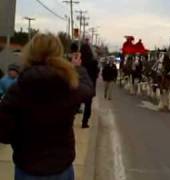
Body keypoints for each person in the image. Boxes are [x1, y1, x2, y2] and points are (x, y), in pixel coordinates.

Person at [0, 33, 94, 179]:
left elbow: (3, 133)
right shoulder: (67, 86)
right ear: (58, 54)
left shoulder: (18, 88)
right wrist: (77, 68)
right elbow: (88, 90)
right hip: (61, 168)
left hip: (28, 169)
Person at [80, 39, 100, 128]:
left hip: (79, 86)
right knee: (88, 105)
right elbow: (96, 75)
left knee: (76, 102)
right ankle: (85, 122)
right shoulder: (94, 63)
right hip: (89, 86)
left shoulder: (79, 61)